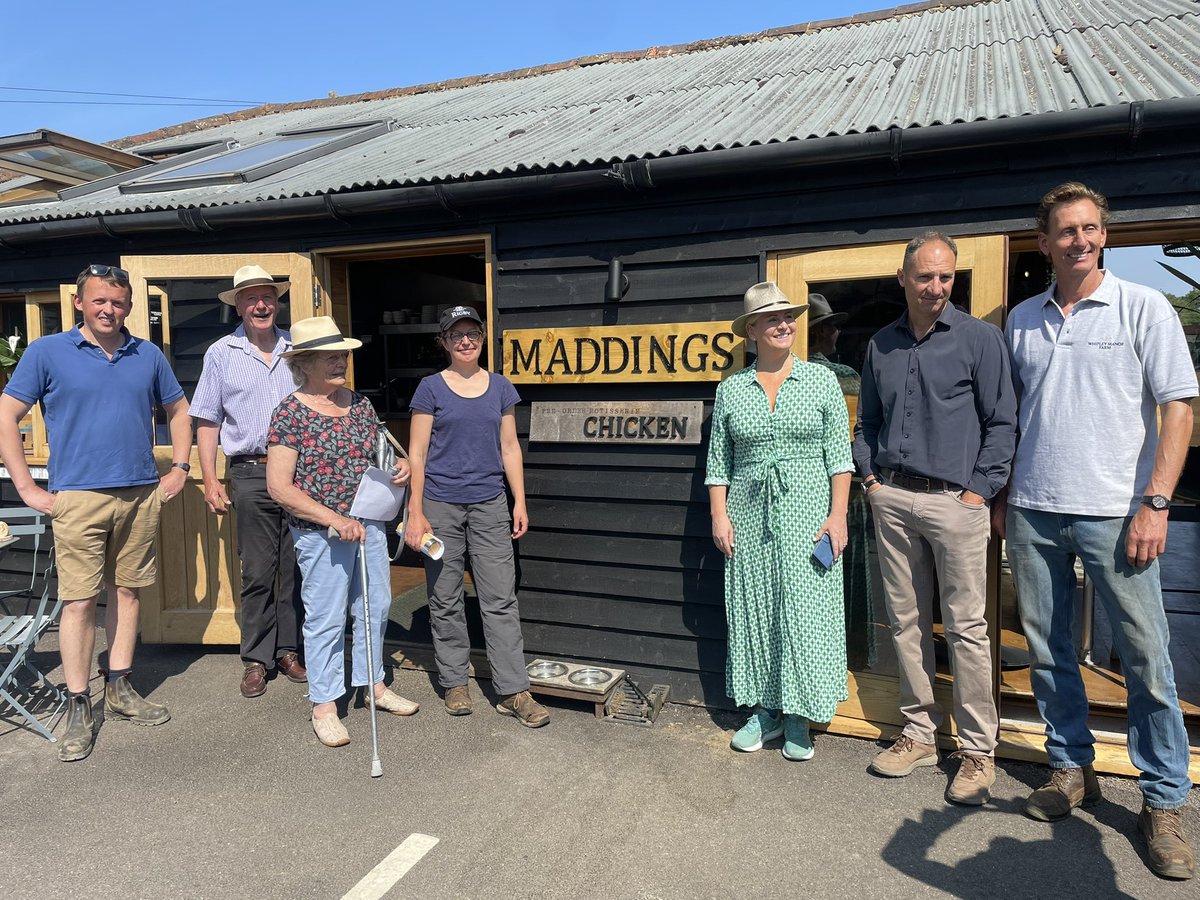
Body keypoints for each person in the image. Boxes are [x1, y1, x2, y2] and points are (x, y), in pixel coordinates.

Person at [999, 182, 1196, 879]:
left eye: (1089, 228)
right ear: (1046, 242)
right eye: (1065, 231)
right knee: (1049, 651)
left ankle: (1165, 800)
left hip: (1120, 512)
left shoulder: (1143, 307)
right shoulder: (1022, 318)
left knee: (1146, 660)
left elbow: (1179, 408)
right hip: (1033, 508)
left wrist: (1157, 502)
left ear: (1103, 236)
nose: (1079, 240)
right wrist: (1001, 496)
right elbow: (1012, 418)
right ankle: (1070, 768)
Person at [0, 264, 192, 762]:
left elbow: (179, 410)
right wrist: (25, 484)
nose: (110, 310)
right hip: (77, 497)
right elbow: (7, 413)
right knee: (80, 602)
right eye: (100, 301)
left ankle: (120, 686)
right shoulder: (47, 352)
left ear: (129, 306)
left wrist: (181, 468)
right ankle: (79, 701)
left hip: (140, 492)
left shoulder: (146, 353)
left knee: (127, 591)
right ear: (80, 304)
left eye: (119, 302)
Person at [852, 233, 1016, 805]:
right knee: (906, 621)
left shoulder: (980, 340)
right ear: (903, 278)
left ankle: (977, 751)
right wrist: (871, 481)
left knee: (968, 628)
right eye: (925, 276)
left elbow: (1002, 423)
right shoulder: (881, 345)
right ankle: (919, 732)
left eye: (945, 277)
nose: (936, 287)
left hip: (957, 504)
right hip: (893, 498)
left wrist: (979, 492)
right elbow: (867, 421)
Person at [705, 282, 853, 761]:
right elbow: (717, 463)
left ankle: (799, 716)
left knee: (807, 615)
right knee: (758, 614)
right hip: (749, 522)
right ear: (752, 330)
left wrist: (838, 516)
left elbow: (840, 458)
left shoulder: (820, 380)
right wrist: (719, 516)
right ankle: (765, 711)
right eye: (772, 318)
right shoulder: (732, 389)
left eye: (789, 316)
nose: (785, 324)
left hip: (809, 520)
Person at [264, 316, 416, 747]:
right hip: (321, 532)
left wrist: (398, 467)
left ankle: (374, 686)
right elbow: (279, 486)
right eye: (330, 356)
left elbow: (377, 458)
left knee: (375, 606)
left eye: (343, 354)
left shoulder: (360, 404)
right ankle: (326, 704)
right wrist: (332, 518)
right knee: (327, 617)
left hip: (367, 523)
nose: (340, 362)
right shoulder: (290, 412)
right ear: (305, 363)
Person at [404, 305, 549, 727]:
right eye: (457, 335)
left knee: (500, 598)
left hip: (489, 503)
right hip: (440, 505)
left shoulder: (501, 387)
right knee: (445, 595)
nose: (466, 341)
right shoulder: (430, 388)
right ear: (444, 342)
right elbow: (417, 453)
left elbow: (509, 448)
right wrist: (415, 512)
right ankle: (454, 682)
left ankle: (513, 690)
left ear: (483, 339)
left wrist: (518, 501)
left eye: (473, 333)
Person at [191, 265, 306, 699]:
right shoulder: (221, 353)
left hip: (299, 473)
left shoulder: (298, 348)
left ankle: (288, 650)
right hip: (251, 471)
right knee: (258, 570)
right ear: (238, 305)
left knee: (295, 570)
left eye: (268, 298)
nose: (261, 305)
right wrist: (209, 480)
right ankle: (257, 657)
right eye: (251, 298)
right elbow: (206, 420)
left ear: (275, 303)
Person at [806, 292, 875, 672]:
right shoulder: (843, 377)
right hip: (841, 491)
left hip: (805, 492)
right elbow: (857, 433)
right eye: (830, 325)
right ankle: (849, 656)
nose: (836, 331)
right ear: (819, 332)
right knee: (846, 578)